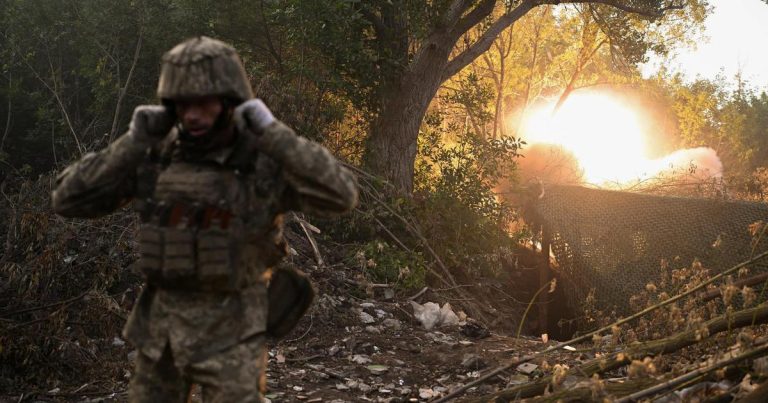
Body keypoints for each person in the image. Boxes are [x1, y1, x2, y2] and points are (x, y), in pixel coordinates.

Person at [52, 36, 358, 402]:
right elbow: (68, 199)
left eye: (204, 102)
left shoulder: (261, 162)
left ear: (230, 101)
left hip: (233, 334)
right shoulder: (158, 156)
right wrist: (132, 142)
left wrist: (273, 132)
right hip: (161, 331)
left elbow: (341, 194)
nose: (193, 115)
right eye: (183, 104)